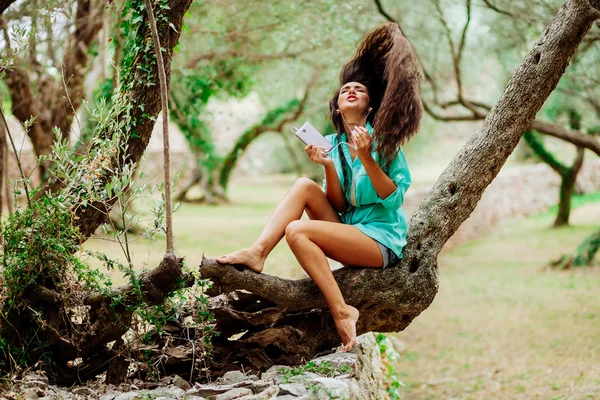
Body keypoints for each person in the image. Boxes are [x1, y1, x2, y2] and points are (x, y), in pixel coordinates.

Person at [217, 23, 423, 352]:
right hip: (350, 228)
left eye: (360, 89)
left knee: (298, 232)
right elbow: (339, 205)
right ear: (338, 107)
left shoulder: (384, 143)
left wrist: (368, 158)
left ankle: (342, 311)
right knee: (303, 184)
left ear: (369, 106)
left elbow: (394, 198)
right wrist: (328, 166)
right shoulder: (332, 144)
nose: (351, 90)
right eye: (345, 90)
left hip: (381, 240)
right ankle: (258, 252)